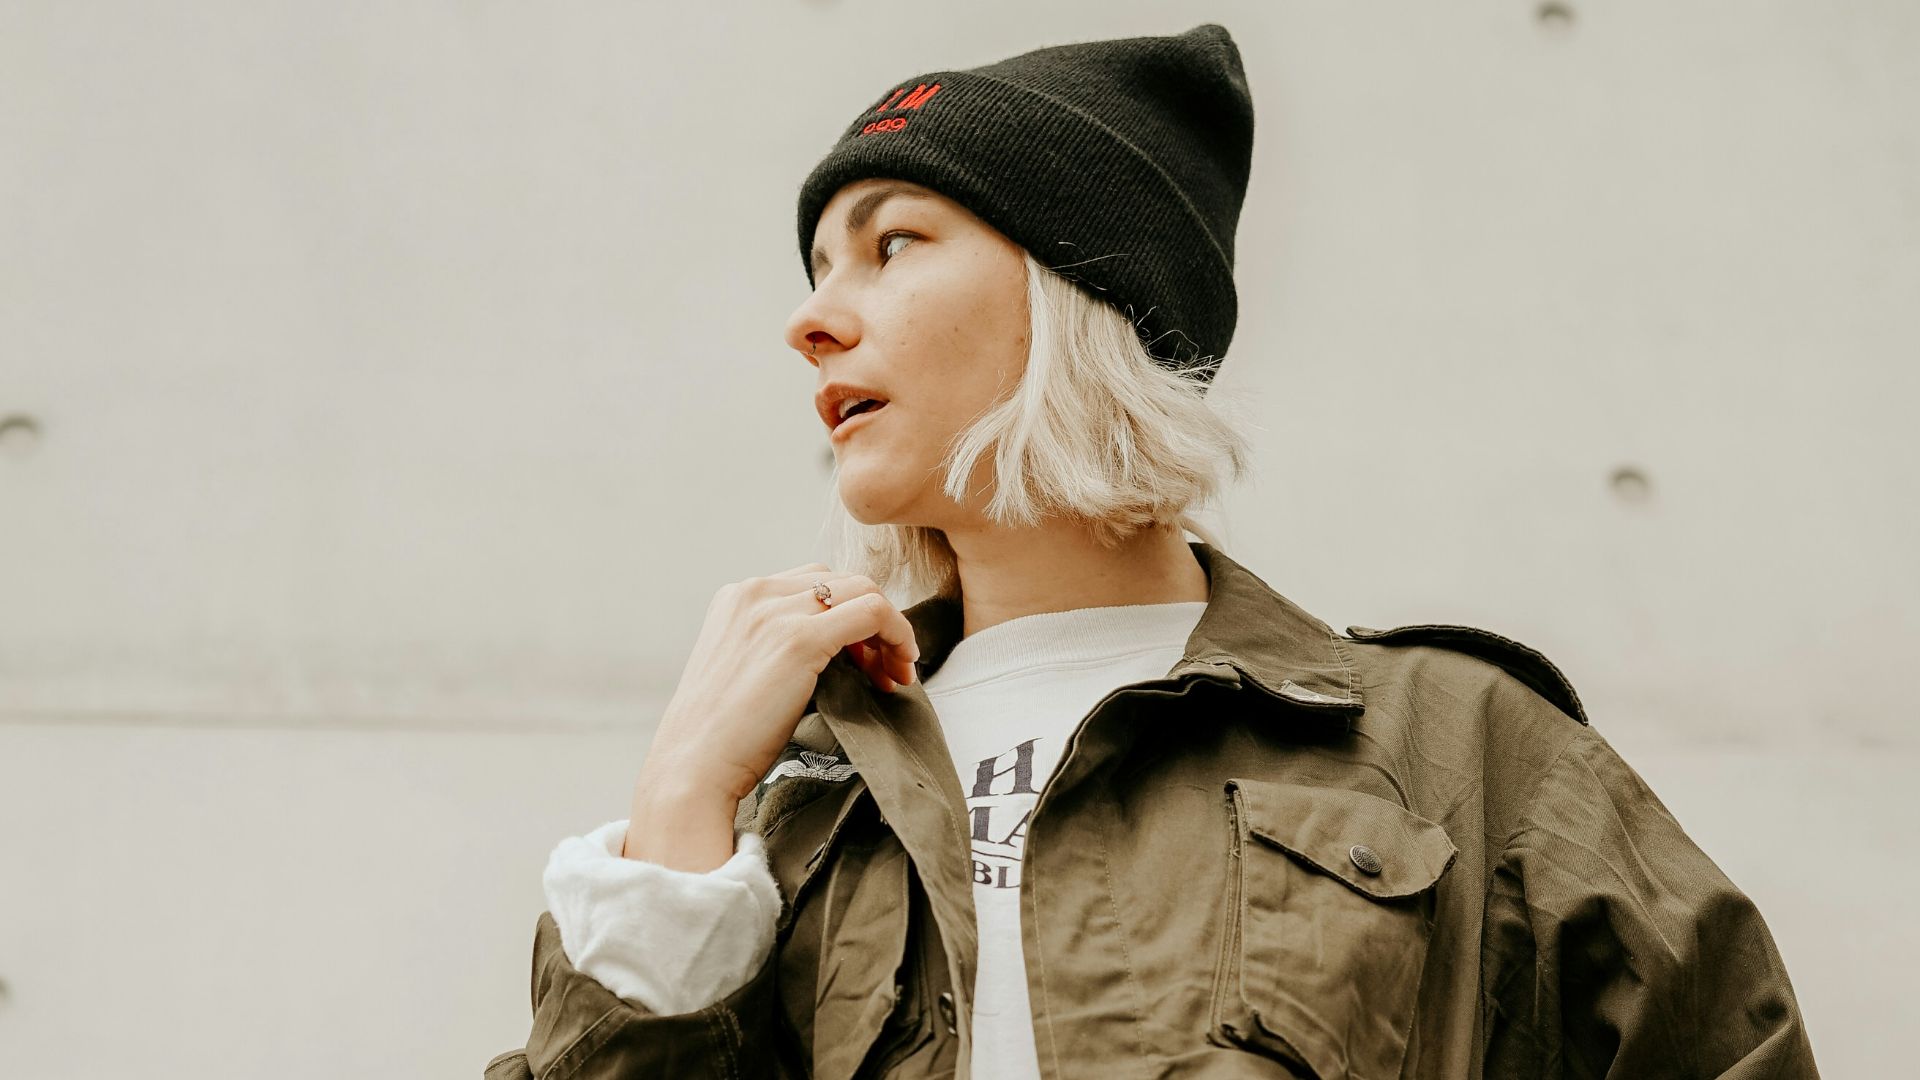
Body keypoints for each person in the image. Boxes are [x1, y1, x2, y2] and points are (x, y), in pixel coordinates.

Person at [486, 23, 1819, 1080]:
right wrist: (678, 810)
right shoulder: (792, 803)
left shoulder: (1460, 750)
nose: (811, 322)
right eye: (818, 269)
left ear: (1088, 293)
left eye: (891, 245)